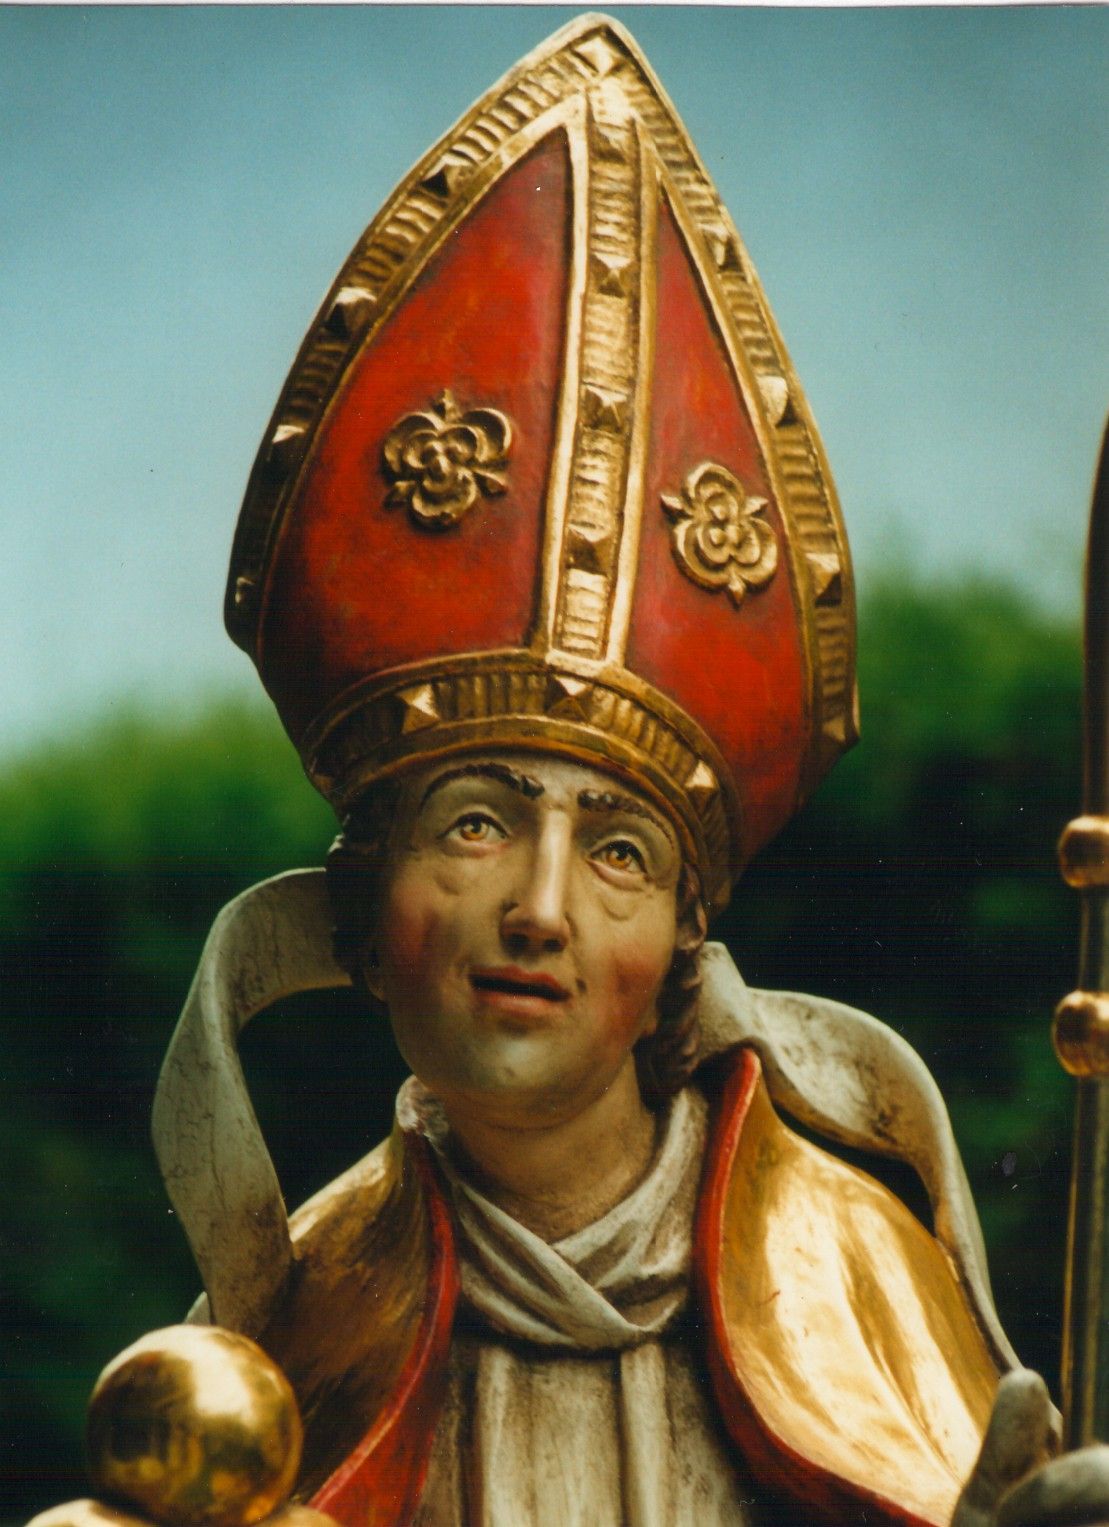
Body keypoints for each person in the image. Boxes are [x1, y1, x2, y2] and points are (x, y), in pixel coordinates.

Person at [67, 13, 1109, 1527]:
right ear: (359, 915)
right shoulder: (286, 1337)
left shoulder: (847, 1278)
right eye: (475, 824)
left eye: (619, 850)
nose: (541, 908)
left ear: (683, 939)